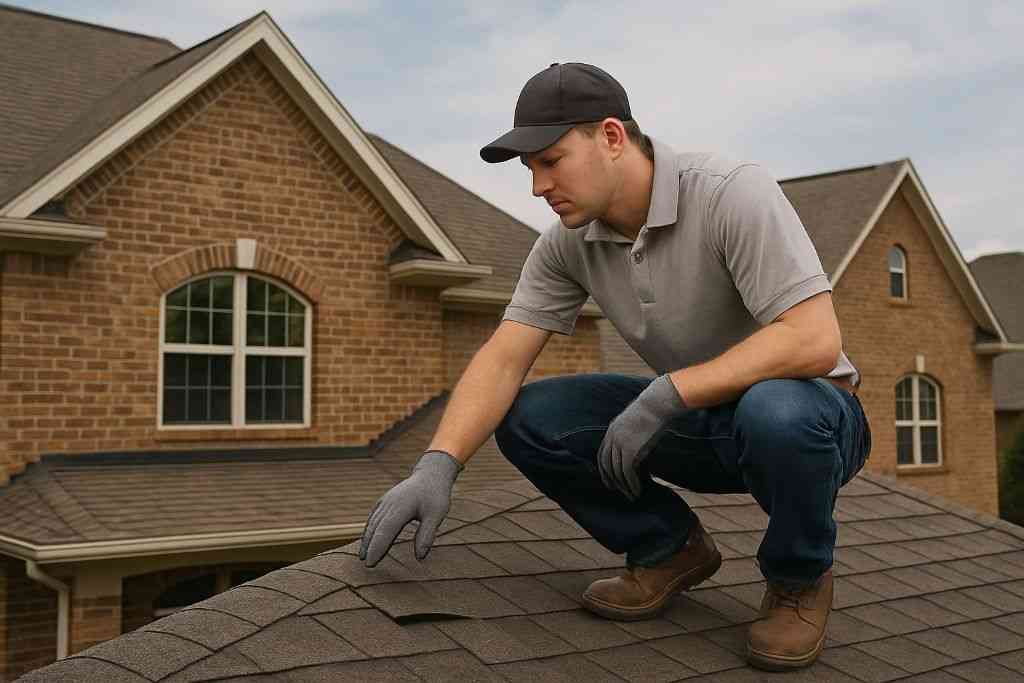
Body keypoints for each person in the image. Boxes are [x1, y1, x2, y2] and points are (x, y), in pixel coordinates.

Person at [359, 62, 872, 672]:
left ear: (610, 136)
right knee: (531, 417)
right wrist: (436, 466)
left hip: (811, 422)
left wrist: (663, 396)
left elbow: (814, 340)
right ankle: (667, 548)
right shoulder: (566, 243)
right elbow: (503, 357)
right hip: (701, 420)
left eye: (551, 161)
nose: (538, 187)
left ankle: (799, 577)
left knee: (776, 409)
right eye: (530, 170)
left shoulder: (731, 190)